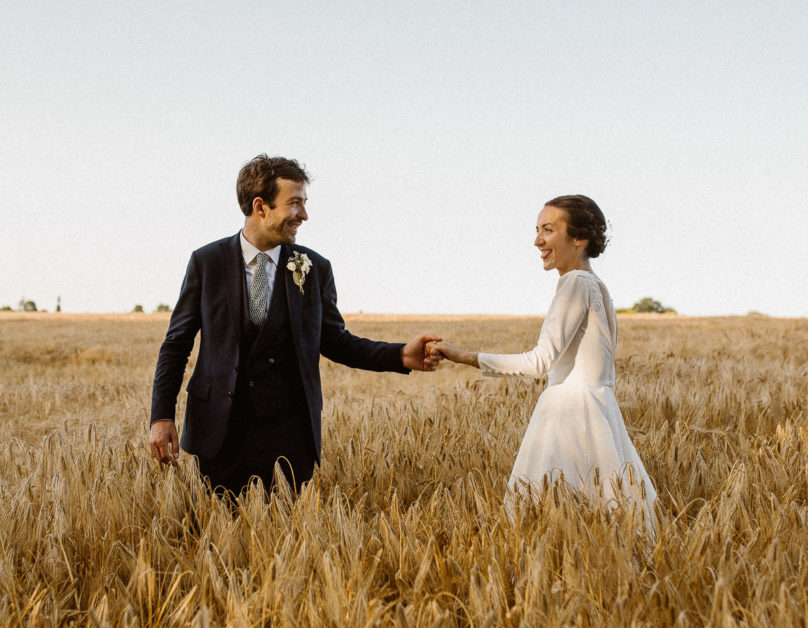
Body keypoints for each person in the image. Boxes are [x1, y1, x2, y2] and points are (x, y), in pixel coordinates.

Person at [149, 154, 441, 498]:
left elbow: (335, 341)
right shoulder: (207, 262)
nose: (304, 215)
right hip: (219, 432)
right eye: (295, 203)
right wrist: (161, 416)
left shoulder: (314, 267)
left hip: (289, 436)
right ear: (261, 206)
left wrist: (399, 355)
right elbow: (176, 344)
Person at [429, 195, 656, 524]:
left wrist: (463, 356)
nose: (537, 240)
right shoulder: (597, 286)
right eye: (537, 230)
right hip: (599, 412)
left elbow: (539, 362)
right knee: (607, 518)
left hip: (569, 416)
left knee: (550, 519)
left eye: (548, 230)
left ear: (579, 238)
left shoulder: (575, 282)